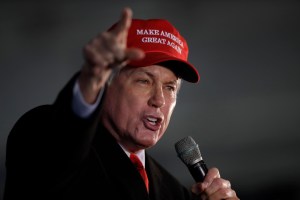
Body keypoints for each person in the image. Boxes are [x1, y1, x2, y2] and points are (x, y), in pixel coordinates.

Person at [4, 7, 239, 200]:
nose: (159, 100)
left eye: (170, 87)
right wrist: (90, 79)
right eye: (143, 81)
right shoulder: (43, 135)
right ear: (107, 84)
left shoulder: (173, 191)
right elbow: (65, 135)